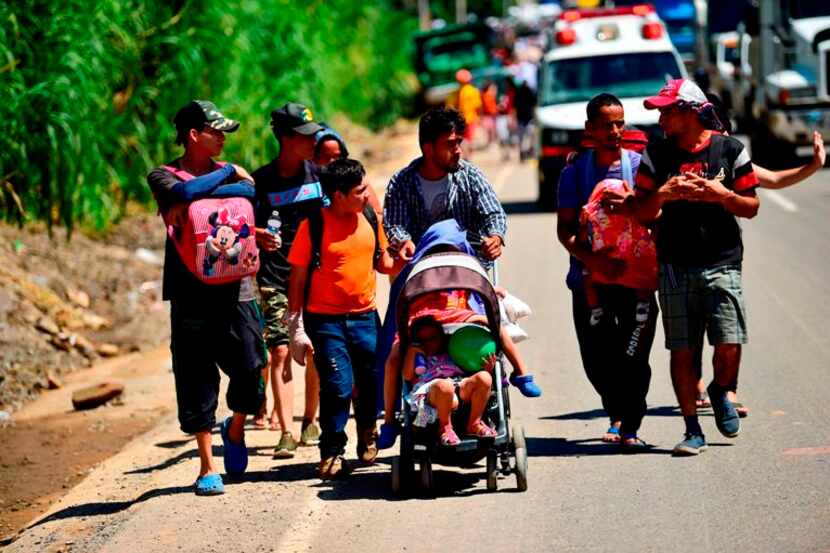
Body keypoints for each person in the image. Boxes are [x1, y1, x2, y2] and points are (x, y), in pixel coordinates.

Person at [633, 78, 760, 456]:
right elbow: (641, 212)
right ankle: (692, 430)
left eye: (667, 111)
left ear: (689, 112)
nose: (661, 118)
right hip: (673, 263)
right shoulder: (655, 156)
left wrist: (723, 196)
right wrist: (664, 194)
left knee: (729, 342)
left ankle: (721, 389)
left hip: (722, 260)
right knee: (682, 349)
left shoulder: (730, 150)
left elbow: (751, 207)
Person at [147, 100, 265, 495]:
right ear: (194, 135)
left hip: (238, 288)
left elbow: (251, 192)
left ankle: (234, 427)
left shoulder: (222, 173)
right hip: (189, 292)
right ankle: (206, 465)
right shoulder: (162, 176)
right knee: (196, 375)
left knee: (251, 368)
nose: (222, 139)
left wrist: (212, 188)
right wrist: (230, 175)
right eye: (216, 132)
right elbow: (183, 191)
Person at [556, 93, 658, 452]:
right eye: (606, 125)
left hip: (637, 283)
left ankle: (629, 423)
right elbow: (565, 230)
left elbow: (657, 215)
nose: (614, 131)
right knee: (597, 357)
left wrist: (636, 205)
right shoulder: (575, 172)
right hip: (589, 283)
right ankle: (615, 411)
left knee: (635, 354)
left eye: (619, 124)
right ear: (590, 129)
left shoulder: (640, 166)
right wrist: (593, 261)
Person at [286, 158, 399, 479]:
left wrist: (401, 259)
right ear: (338, 195)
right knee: (337, 386)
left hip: (365, 318)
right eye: (360, 190)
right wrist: (295, 325)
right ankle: (332, 450)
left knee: (368, 382)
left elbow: (383, 262)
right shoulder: (314, 225)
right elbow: (297, 277)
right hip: (325, 322)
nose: (367, 194)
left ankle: (367, 433)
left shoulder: (367, 216)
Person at [252, 103, 324, 458]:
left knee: (313, 350)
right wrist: (257, 234)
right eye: (305, 137)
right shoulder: (260, 182)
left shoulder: (319, 176)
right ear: (284, 138)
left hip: (316, 277)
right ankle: (285, 430)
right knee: (279, 349)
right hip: (275, 278)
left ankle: (310, 419)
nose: (313, 142)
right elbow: (241, 227)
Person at [383, 106, 507, 269]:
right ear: (428, 149)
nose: (458, 151)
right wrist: (403, 241)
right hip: (421, 271)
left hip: (468, 267)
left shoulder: (470, 175)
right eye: (450, 144)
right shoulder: (401, 183)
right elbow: (395, 224)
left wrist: (495, 237)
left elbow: (493, 213)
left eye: (458, 142)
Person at [403, 316, 497, 445]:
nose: (428, 343)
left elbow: (471, 372)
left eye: (432, 338)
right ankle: (445, 427)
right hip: (432, 394)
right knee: (444, 386)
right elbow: (407, 376)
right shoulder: (418, 358)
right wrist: (413, 351)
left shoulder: (453, 351)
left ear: (442, 337)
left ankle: (474, 423)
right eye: (422, 340)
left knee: (484, 377)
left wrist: (486, 369)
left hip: (459, 387)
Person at [449, 69, 482, 156]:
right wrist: (479, 117)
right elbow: (478, 106)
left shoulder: (456, 92)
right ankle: (468, 154)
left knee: (462, 138)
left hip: (459, 119)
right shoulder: (474, 91)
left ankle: (466, 153)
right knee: (469, 138)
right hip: (471, 119)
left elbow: (451, 107)